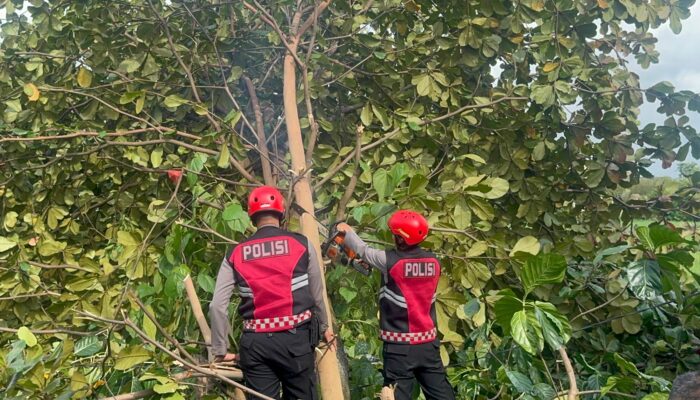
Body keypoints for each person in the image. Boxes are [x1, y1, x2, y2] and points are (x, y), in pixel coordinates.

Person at [209, 186, 334, 399]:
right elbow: (316, 294)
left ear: (251, 216)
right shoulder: (302, 244)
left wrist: (220, 350)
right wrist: (324, 327)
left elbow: (217, 306)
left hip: (256, 346)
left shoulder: (236, 253)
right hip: (296, 343)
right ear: (281, 211)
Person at [337, 210, 455, 400]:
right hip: (428, 345)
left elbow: (363, 250)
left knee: (396, 395)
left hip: (399, 347)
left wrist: (346, 231)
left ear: (400, 238)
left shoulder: (388, 260)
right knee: (442, 395)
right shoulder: (434, 262)